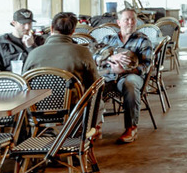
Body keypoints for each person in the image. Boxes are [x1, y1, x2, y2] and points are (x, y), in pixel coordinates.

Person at [98, 8, 153, 144]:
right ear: (119, 22)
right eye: (126, 19)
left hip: (129, 76)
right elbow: (95, 55)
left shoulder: (143, 41)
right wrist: (111, 56)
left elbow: (146, 65)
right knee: (91, 86)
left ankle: (131, 128)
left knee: (131, 84)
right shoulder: (108, 39)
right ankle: (93, 128)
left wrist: (123, 71)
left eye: (133, 19)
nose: (130, 22)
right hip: (108, 76)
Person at [24, 12, 98, 90]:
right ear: (73, 31)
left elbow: (24, 83)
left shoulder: (33, 53)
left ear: (51, 28)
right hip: (74, 101)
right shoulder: (83, 52)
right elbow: (94, 83)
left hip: (38, 101)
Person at [0, 8, 38, 72]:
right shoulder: (0, 43)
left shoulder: (38, 40)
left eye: (29, 23)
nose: (27, 27)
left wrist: (31, 46)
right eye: (23, 24)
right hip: (9, 80)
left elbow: (44, 64)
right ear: (14, 23)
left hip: (35, 79)